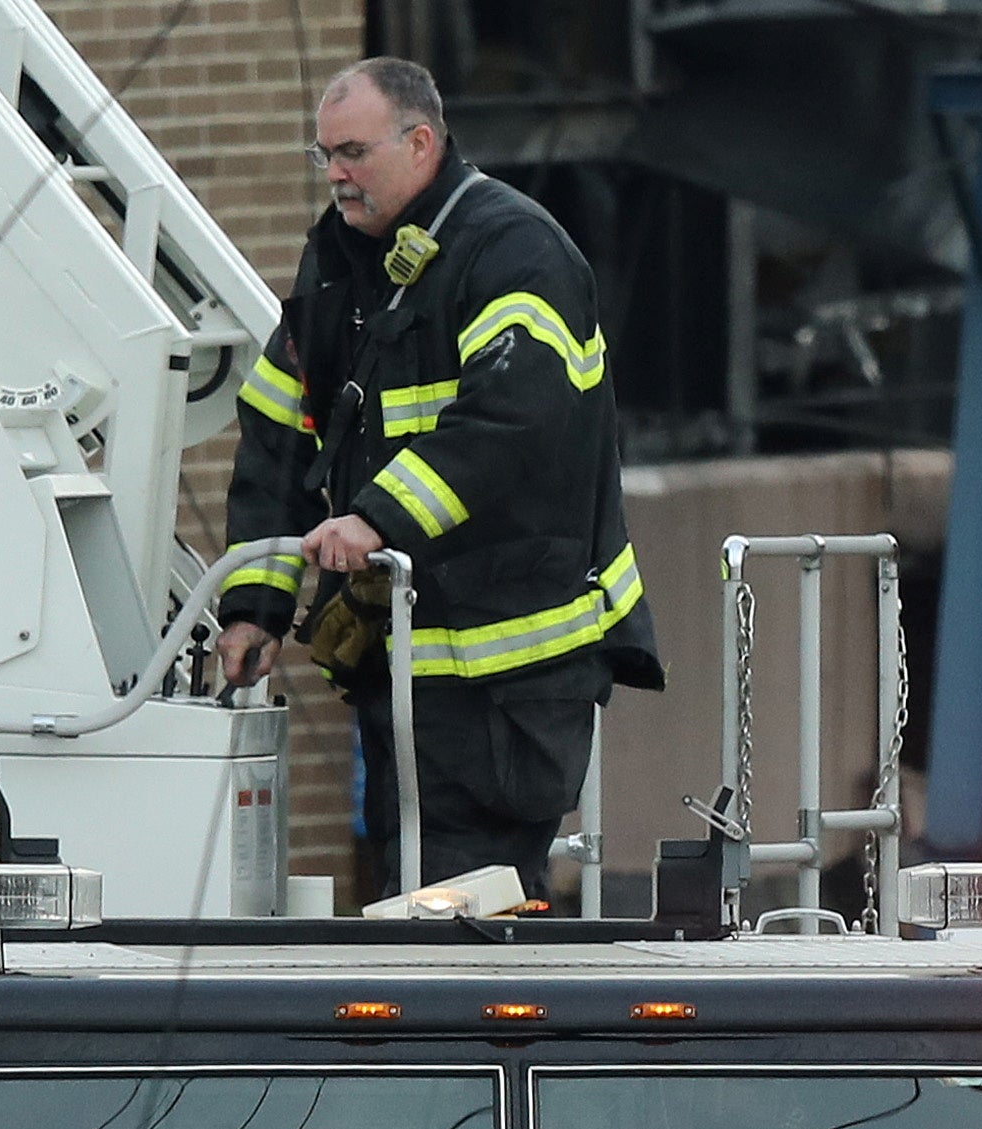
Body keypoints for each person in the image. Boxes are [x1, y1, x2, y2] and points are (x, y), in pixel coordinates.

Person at [216, 58, 660, 895]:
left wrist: (375, 519)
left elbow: (513, 423)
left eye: (352, 151)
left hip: (511, 670)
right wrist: (254, 608)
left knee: (463, 912)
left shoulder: (517, 252)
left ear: (421, 142)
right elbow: (278, 436)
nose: (337, 174)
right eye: (323, 156)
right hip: (411, 672)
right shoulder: (341, 264)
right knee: (415, 900)